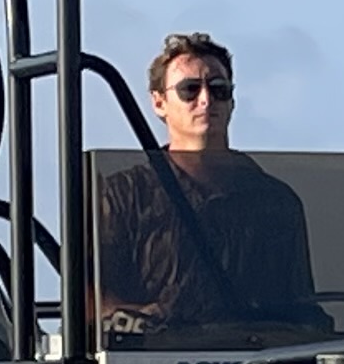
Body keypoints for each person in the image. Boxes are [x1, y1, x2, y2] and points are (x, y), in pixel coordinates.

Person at [92, 32, 327, 339]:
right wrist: (144, 319)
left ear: (232, 101)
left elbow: (298, 308)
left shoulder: (276, 201)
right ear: (159, 102)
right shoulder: (121, 195)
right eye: (190, 89)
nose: (205, 100)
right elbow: (93, 301)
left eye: (219, 89)